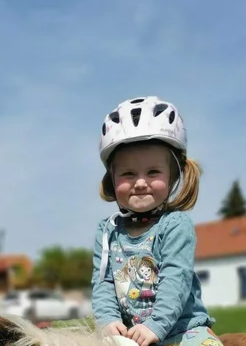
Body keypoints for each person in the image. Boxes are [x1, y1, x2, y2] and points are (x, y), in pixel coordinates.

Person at [91, 96, 222, 346]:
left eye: (153, 172)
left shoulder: (175, 225)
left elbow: (176, 278)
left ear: (173, 176)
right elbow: (103, 282)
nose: (140, 182)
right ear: (112, 179)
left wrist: (156, 325)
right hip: (130, 335)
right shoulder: (107, 231)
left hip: (182, 331)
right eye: (128, 173)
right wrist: (108, 320)